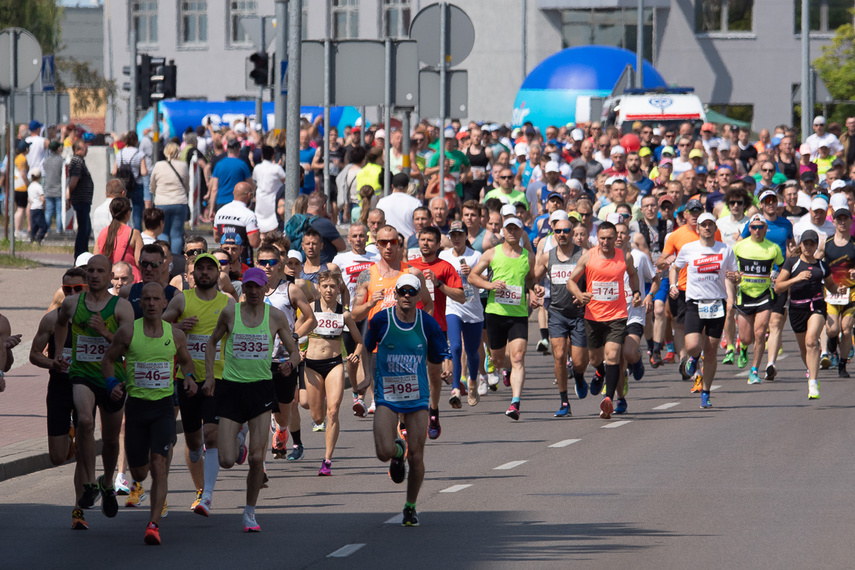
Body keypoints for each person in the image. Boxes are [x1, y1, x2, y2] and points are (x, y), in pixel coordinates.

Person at [203, 267, 299, 532]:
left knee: (258, 459)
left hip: (260, 391)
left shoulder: (276, 316)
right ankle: (238, 440)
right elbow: (211, 343)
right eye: (249, 287)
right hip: (232, 390)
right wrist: (210, 376)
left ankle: (249, 512)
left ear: (265, 288)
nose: (254, 291)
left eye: (258, 287)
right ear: (243, 289)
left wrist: (290, 364)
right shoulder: (230, 312)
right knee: (225, 459)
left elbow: (295, 351)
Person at [101, 282, 197, 545]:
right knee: (140, 473)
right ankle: (121, 482)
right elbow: (108, 360)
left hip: (163, 408)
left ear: (164, 304)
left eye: (157, 299)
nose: (152, 303)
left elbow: (186, 360)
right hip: (136, 409)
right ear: (140, 304)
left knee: (159, 464)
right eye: (147, 299)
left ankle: (153, 524)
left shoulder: (175, 334)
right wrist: (111, 384)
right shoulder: (128, 333)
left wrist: (188, 377)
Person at [53, 254, 136, 530]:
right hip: (82, 375)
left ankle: (108, 482)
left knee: (112, 441)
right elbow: (60, 322)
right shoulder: (72, 304)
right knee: (85, 422)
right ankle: (89, 483)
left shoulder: (121, 307)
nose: (95, 275)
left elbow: (129, 347)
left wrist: (104, 332)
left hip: (112, 379)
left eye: (101, 271)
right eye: (91, 270)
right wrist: (61, 353)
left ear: (110, 275)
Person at [364, 274, 451, 527]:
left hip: (416, 397)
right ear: (396, 293)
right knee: (383, 452)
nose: (406, 296)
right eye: (402, 291)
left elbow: (442, 353)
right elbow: (366, 348)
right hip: (387, 396)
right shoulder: (382, 320)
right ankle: (396, 450)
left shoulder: (427, 323)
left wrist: (447, 369)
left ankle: (410, 507)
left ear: (418, 297)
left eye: (411, 292)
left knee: (417, 456)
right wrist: (364, 376)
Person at [161, 253, 236, 515]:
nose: (205, 273)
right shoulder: (183, 299)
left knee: (212, 435)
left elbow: (239, 335)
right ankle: (198, 454)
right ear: (192, 275)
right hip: (187, 378)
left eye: (210, 269)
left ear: (218, 274)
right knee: (194, 443)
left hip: (219, 377)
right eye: (200, 269)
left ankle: (207, 496)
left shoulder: (228, 303)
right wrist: (179, 326)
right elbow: (158, 325)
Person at [565, 222, 642, 419]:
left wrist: (636, 292)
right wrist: (579, 294)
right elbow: (571, 281)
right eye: (602, 238)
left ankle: (608, 399)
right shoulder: (589, 256)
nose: (605, 242)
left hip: (617, 315)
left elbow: (632, 274)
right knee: (594, 359)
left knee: (613, 355)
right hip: (593, 316)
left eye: (609, 238)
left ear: (616, 238)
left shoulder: (624, 257)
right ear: (597, 238)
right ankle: (599, 372)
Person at [467, 217, 538, 420]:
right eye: (509, 229)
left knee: (518, 357)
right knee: (498, 361)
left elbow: (531, 279)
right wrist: (490, 285)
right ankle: (500, 366)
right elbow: (472, 276)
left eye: (516, 229)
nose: (512, 232)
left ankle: (515, 402)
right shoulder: (492, 254)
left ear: (521, 231)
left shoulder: (528, 256)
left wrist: (535, 290)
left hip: (518, 315)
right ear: (503, 231)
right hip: (495, 313)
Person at [254, 244, 315, 461]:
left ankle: (280, 428)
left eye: (272, 262)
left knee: (284, 410)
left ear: (279, 264)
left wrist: (295, 337)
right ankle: (258, 464)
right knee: (257, 410)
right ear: (256, 263)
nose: (268, 266)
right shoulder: (251, 290)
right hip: (258, 360)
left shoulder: (290, 289)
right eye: (263, 262)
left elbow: (311, 319)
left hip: (285, 359)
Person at [673, 213, 738, 408]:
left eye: (711, 225)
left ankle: (706, 391)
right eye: (704, 225)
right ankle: (693, 357)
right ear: (698, 228)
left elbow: (736, 275)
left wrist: (735, 277)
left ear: (715, 228)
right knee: (693, 344)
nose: (707, 228)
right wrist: (673, 285)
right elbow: (675, 267)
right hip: (694, 302)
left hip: (717, 304)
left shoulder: (726, 249)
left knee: (711, 351)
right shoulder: (688, 249)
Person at [304, 271, 364, 475]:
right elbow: (294, 333)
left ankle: (327, 460)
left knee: (333, 411)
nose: (329, 290)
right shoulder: (310, 309)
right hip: (312, 365)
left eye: (333, 286)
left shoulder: (344, 314)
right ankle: (319, 415)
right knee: (318, 417)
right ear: (319, 289)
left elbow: (359, 342)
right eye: (325, 286)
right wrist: (298, 350)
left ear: (339, 289)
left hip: (334, 365)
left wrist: (355, 355)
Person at [29, 268, 86, 479]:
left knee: (84, 453)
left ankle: (81, 503)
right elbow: (34, 355)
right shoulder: (51, 320)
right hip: (59, 387)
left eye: (77, 289)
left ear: (87, 289)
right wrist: (53, 363)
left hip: (86, 388)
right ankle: (69, 433)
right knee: (57, 458)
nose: (71, 293)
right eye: (67, 289)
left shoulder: (97, 319)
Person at [533, 218, 588, 416]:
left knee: (580, 362)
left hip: (580, 314)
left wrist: (585, 296)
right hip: (556, 312)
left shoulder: (584, 255)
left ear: (572, 233)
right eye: (558, 231)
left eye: (566, 230)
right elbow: (533, 278)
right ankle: (564, 402)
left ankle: (580, 377)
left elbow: (593, 280)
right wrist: (535, 288)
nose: (562, 234)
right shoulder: (548, 257)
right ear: (553, 234)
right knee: (558, 355)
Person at [775, 230, 838, 400]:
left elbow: (831, 286)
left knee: (812, 341)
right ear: (800, 245)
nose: (809, 247)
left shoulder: (822, 265)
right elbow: (778, 287)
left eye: (812, 244)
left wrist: (839, 289)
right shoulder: (792, 263)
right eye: (806, 244)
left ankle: (813, 381)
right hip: (796, 309)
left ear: (817, 246)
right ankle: (811, 370)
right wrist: (796, 279)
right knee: (804, 347)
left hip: (816, 306)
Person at [331, 223, 380, 415]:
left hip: (369, 312)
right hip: (348, 314)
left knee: (366, 352)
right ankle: (356, 390)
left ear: (366, 237)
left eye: (362, 236)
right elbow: (333, 284)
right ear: (348, 239)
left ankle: (371, 398)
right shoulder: (341, 259)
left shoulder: (375, 257)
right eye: (355, 236)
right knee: (352, 358)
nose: (358, 239)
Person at [733, 214, 784, 383]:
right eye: (753, 227)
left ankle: (754, 371)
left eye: (760, 227)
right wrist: (734, 277)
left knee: (760, 333)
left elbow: (784, 267)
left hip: (763, 295)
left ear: (765, 229)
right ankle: (744, 347)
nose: (757, 230)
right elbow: (730, 268)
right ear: (749, 229)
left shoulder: (773, 248)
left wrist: (779, 277)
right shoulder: (739, 247)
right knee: (747, 337)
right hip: (745, 295)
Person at [439, 221, 485, 407]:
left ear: (466, 235)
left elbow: (486, 281)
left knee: (473, 352)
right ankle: (456, 387)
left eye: (460, 234)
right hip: (453, 307)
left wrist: (473, 274)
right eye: (453, 235)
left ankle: (473, 382)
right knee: (456, 347)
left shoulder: (475, 255)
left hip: (473, 308)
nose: (456, 238)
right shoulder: (443, 255)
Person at [820, 207, 855, 377]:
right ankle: (832, 346)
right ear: (833, 222)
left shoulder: (854, 244)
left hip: (851, 293)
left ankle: (842, 365)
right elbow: (816, 262)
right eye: (838, 219)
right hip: (832, 293)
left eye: (845, 219)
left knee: (846, 329)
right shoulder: (826, 243)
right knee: (833, 330)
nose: (842, 222)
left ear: (850, 221)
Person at [149, 142, 190, 256]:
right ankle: (176, 259)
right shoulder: (183, 165)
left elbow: (152, 184)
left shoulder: (158, 165)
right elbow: (186, 185)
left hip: (162, 202)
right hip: (179, 201)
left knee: (163, 232)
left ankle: (163, 257)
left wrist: (155, 192)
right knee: (177, 234)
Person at [120, 244, 180, 319]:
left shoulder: (175, 295)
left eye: (154, 264)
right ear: (139, 264)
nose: (148, 269)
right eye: (145, 264)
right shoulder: (127, 292)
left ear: (163, 266)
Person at [95, 197, 143, 282]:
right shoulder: (133, 233)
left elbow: (96, 258)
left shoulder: (103, 233)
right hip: (130, 280)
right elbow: (139, 262)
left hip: (109, 280)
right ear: (128, 213)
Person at [214, 182, 260, 267]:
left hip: (224, 262)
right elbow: (254, 243)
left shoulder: (220, 212)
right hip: (243, 263)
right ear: (249, 195)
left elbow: (216, 238)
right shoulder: (249, 215)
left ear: (233, 193)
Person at [112, 131, 149, 230]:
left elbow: (114, 171)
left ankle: (124, 231)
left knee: (123, 211)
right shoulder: (140, 154)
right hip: (137, 185)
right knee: (137, 212)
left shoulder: (120, 153)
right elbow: (144, 171)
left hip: (123, 186)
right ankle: (137, 234)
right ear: (136, 140)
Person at [208, 138, 253, 216]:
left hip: (221, 202)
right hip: (238, 202)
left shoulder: (219, 164)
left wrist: (211, 209)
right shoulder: (242, 164)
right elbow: (250, 185)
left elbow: (214, 189)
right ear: (238, 150)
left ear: (227, 150)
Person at [68, 140, 94, 259]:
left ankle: (83, 253)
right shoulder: (77, 161)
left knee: (86, 228)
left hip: (83, 200)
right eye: (83, 148)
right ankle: (80, 254)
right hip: (81, 200)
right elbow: (73, 181)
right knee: (84, 229)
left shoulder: (79, 161)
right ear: (77, 150)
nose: (86, 150)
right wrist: (69, 196)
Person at [376, 172, 422, 241]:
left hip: (387, 241)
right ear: (407, 186)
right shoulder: (416, 202)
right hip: (409, 242)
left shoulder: (382, 202)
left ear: (392, 186)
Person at [252, 145, 286, 233]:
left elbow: (255, 181)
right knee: (272, 227)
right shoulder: (277, 168)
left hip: (262, 199)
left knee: (262, 226)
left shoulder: (257, 168)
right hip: (272, 200)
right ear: (273, 155)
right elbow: (285, 181)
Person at [43, 140, 65, 234]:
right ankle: (59, 229)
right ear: (57, 148)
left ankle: (46, 229)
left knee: (48, 211)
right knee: (59, 211)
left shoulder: (46, 160)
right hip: (58, 188)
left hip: (48, 187)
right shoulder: (61, 161)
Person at [28, 167, 48, 243]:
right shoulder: (39, 187)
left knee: (34, 226)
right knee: (43, 226)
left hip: (32, 208)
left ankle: (32, 239)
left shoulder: (30, 187)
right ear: (39, 177)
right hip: (38, 208)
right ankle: (38, 239)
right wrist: (44, 206)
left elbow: (29, 199)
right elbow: (42, 199)